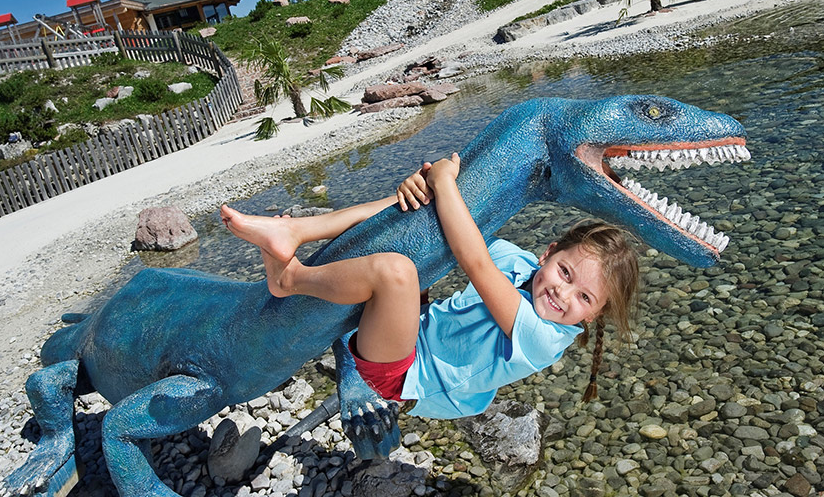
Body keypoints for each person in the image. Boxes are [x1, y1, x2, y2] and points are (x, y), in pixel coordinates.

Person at [220, 153, 639, 418]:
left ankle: (288, 278)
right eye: (565, 273)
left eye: (584, 297)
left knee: (395, 272)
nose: (563, 294)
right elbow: (457, 230)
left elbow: (474, 261)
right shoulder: (519, 262)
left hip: (405, 377)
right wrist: (423, 187)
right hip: (415, 329)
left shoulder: (546, 337)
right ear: (548, 254)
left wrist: (445, 182)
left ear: (595, 313)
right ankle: (297, 230)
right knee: (419, 215)